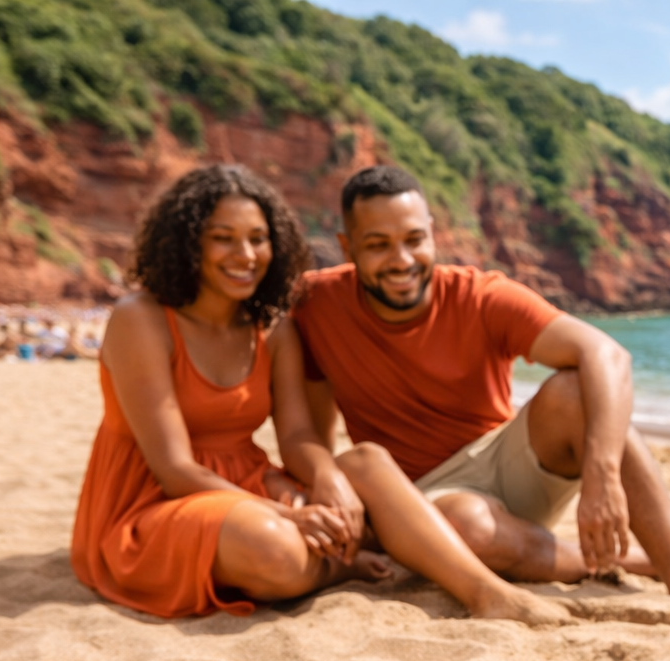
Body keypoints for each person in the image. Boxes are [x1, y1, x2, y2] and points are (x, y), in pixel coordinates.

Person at [71, 164, 567, 624]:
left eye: (257, 239)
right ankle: (346, 568)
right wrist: (290, 514)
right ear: (186, 244)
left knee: (366, 464)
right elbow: (173, 469)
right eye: (223, 239)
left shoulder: (273, 328)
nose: (245, 256)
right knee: (274, 545)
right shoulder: (142, 319)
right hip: (152, 501)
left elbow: (298, 434)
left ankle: (487, 593)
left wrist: (325, 478)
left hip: (249, 479)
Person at [290, 165, 670, 598]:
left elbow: (607, 353)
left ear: (434, 233)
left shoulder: (480, 295)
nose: (402, 259)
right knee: (468, 525)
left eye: (415, 239)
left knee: (579, 389)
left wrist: (602, 477)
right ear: (347, 247)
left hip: (506, 463)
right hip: (416, 493)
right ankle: (629, 560)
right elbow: (301, 421)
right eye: (378, 245)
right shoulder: (316, 304)